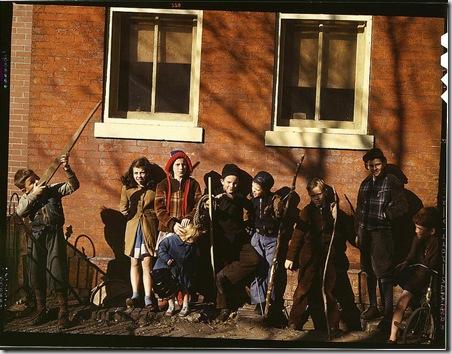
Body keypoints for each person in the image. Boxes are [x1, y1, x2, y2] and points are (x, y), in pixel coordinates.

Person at [14, 154, 79, 328]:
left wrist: (67, 169)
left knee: (58, 271)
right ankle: (42, 310)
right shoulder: (26, 198)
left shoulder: (53, 189)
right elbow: (19, 212)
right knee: (36, 273)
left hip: (54, 235)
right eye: (32, 183)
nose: (37, 182)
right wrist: (34, 194)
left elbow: (73, 186)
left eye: (36, 179)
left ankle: (63, 312)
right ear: (24, 189)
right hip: (36, 238)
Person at [355, 148, 408, 332]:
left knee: (384, 273)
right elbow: (359, 210)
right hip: (365, 233)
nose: (374, 168)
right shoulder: (365, 184)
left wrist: (387, 214)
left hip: (382, 234)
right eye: (370, 165)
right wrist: (357, 231)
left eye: (377, 164)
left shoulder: (391, 181)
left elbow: (403, 205)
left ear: (383, 164)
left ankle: (387, 314)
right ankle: (372, 307)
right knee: (368, 270)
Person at [285, 178, 346, 335]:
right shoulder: (306, 212)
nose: (316, 198)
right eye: (313, 196)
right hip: (309, 257)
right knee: (303, 289)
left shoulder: (333, 210)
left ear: (324, 192)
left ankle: (332, 325)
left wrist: (334, 216)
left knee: (329, 290)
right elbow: (297, 235)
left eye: (319, 194)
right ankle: (294, 322)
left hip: (328, 257)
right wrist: (290, 257)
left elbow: (342, 231)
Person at [209, 164, 260, 321]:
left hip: (240, 241)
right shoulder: (215, 198)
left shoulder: (240, 198)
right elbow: (208, 176)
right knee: (220, 268)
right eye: (229, 182)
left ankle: (224, 276)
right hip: (222, 242)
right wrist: (210, 203)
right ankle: (224, 308)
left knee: (254, 260)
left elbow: (250, 208)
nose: (232, 186)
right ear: (222, 181)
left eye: (235, 183)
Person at [155, 150, 202, 307]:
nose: (181, 167)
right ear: (171, 166)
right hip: (169, 230)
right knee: (167, 263)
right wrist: (172, 224)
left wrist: (188, 218)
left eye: (183, 164)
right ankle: (168, 297)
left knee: (184, 265)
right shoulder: (163, 185)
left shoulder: (193, 184)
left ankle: (184, 296)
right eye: (177, 164)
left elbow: (198, 205)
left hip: (186, 231)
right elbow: (159, 209)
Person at [388, 207, 441, 343]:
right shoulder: (417, 238)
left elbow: (430, 266)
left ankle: (435, 337)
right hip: (418, 275)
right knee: (401, 302)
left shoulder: (436, 243)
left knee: (434, 306)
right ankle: (392, 338)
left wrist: (413, 281)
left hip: (430, 278)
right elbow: (411, 256)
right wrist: (405, 263)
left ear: (432, 231)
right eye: (416, 227)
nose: (416, 231)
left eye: (420, 228)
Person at [120, 157, 159, 310]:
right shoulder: (127, 188)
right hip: (133, 227)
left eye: (142, 173)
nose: (139, 176)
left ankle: (148, 297)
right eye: (136, 173)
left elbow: (159, 208)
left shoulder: (154, 188)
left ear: (147, 173)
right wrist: (127, 209)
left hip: (148, 228)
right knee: (134, 262)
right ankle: (136, 294)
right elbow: (122, 207)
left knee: (147, 263)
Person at [248, 171, 285, 318]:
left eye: (257, 189)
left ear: (266, 189)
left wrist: (279, 209)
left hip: (271, 239)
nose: (254, 191)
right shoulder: (252, 199)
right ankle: (259, 301)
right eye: (253, 187)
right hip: (257, 237)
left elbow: (281, 215)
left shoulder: (273, 200)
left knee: (271, 269)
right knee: (258, 268)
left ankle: (272, 300)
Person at [153, 229, 201, 317]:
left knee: (185, 286)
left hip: (184, 268)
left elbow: (194, 257)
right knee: (169, 288)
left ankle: (185, 305)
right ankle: (171, 306)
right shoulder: (171, 240)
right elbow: (161, 249)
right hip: (169, 268)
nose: (194, 241)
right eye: (193, 238)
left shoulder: (192, 245)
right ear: (188, 236)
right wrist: (167, 259)